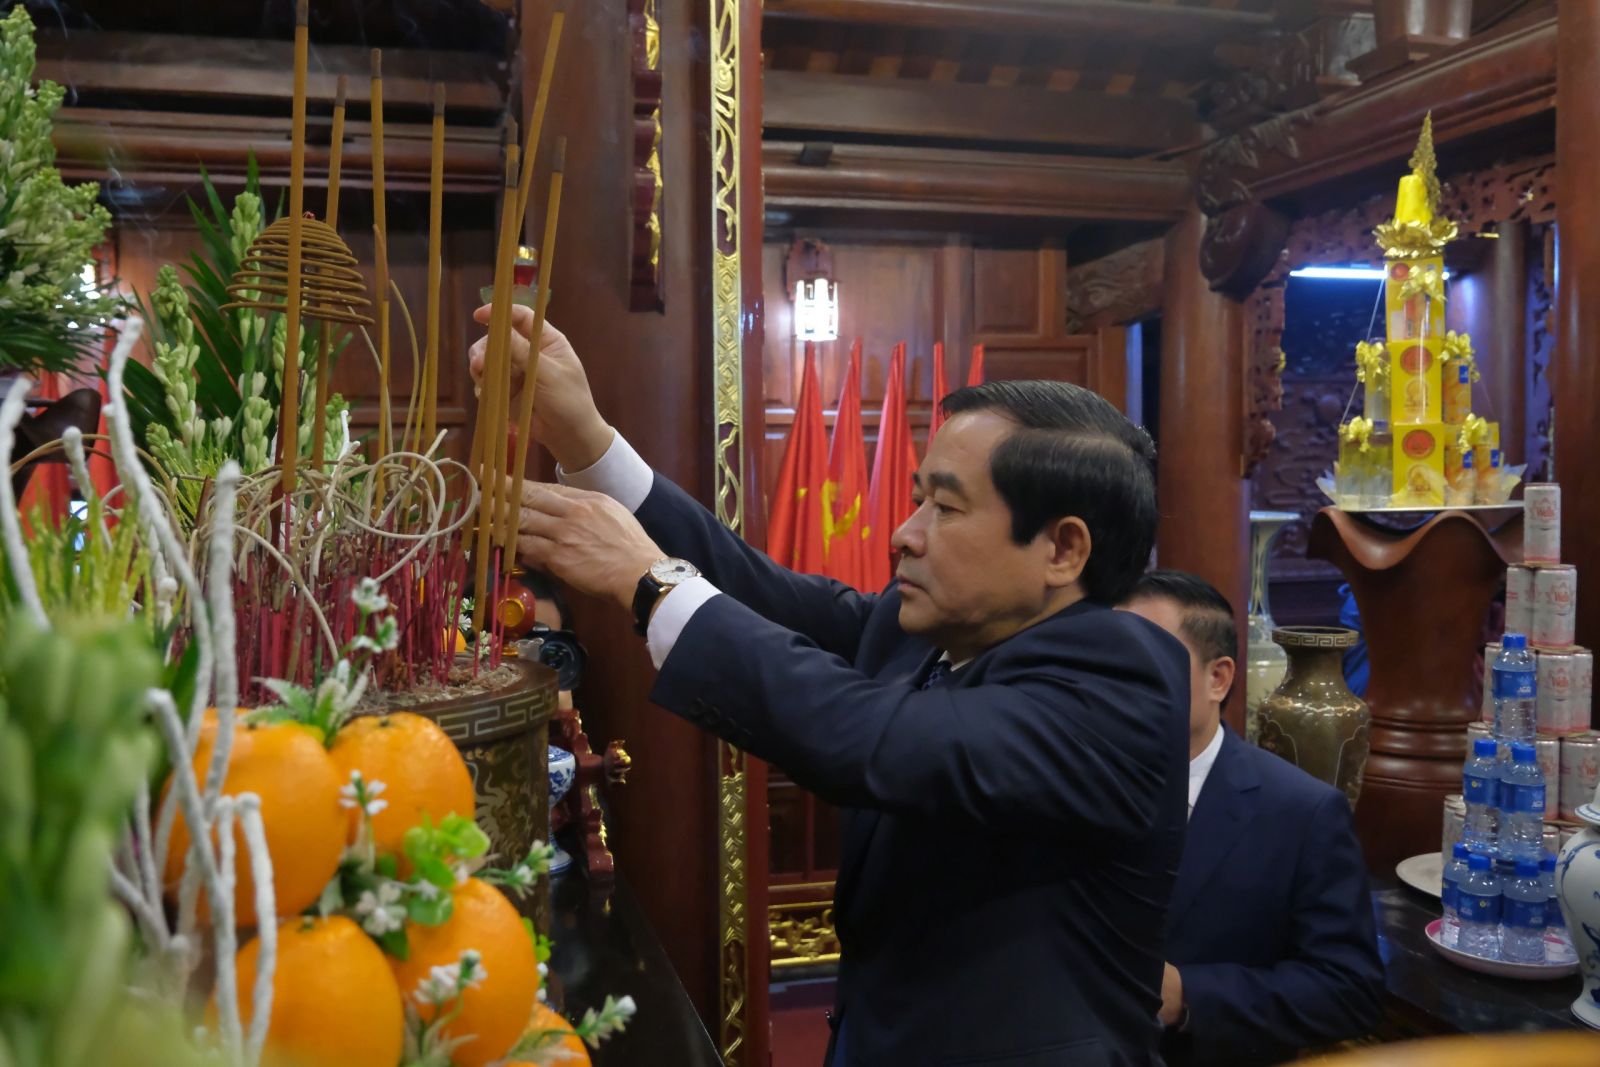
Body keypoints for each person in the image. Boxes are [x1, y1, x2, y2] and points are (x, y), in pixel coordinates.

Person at [473, 306, 1190, 1066]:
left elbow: (869, 737)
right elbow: (757, 592)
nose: (905, 533)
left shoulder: (1122, 681)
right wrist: (587, 441)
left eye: (946, 508)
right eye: (916, 498)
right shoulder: (926, 633)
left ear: (1063, 548)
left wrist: (649, 582)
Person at [1120, 570, 1385, 1067]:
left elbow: (1349, 990)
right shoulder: (1069, 781)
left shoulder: (1301, 812)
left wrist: (1188, 996)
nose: (1118, 685)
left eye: (1144, 663)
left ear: (1217, 678)